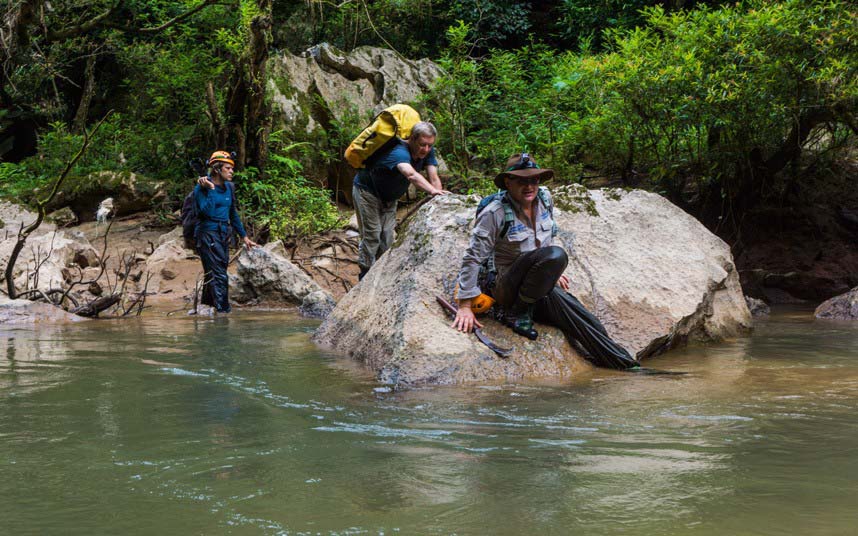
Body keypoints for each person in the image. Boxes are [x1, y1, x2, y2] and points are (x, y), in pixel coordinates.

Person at [452, 153, 638, 370]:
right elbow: (473, 257)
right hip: (506, 285)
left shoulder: (545, 199)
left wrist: (550, 272)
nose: (529, 186)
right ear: (508, 182)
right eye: (522, 180)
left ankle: (626, 366)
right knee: (556, 255)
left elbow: (550, 235)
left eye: (534, 180)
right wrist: (465, 305)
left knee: (590, 323)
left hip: (536, 284)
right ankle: (515, 313)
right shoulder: (495, 212)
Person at [352, 121, 450, 279]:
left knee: (387, 237)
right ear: (412, 139)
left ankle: (381, 273)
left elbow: (433, 177)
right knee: (372, 235)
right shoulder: (399, 152)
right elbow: (411, 175)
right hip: (367, 193)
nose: (426, 149)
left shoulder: (427, 151)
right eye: (422, 144)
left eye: (430, 145)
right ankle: (365, 273)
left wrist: (438, 194)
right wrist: (432, 191)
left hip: (390, 199)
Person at [194, 150, 257, 313]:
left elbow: (232, 213)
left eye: (231, 168)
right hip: (207, 234)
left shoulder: (229, 187)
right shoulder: (201, 188)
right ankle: (223, 313)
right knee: (220, 275)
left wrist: (244, 236)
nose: (231, 171)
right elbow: (204, 212)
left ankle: (207, 307)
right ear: (217, 169)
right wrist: (211, 189)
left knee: (214, 272)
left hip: (223, 235)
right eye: (228, 168)